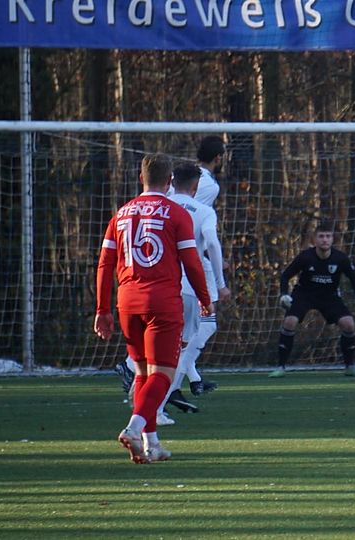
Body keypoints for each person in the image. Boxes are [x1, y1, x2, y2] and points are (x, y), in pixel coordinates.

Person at [95, 153, 213, 464]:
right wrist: (204, 297)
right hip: (162, 301)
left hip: (127, 301)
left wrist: (102, 308)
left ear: (141, 179)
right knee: (163, 374)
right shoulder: (176, 213)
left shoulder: (121, 213)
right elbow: (192, 262)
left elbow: (105, 263)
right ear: (170, 181)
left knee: (142, 373)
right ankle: (133, 428)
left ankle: (151, 444)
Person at [116, 136, 231, 402]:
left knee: (174, 331)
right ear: (219, 157)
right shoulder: (207, 187)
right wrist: (218, 275)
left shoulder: (172, 187)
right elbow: (199, 227)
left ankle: (178, 382)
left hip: (157, 263)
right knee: (197, 327)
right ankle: (152, 382)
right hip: (186, 261)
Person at [147, 163, 231, 426]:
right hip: (187, 288)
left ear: (172, 182)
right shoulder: (204, 212)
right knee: (179, 349)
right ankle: (156, 408)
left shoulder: (158, 208)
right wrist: (220, 283)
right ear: (195, 187)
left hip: (154, 285)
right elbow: (212, 243)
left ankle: (146, 401)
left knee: (152, 348)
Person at [269, 223, 355, 377]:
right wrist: (284, 294)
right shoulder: (305, 257)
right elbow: (286, 275)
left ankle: (350, 366)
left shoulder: (340, 258)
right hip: (304, 294)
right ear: (314, 239)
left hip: (329, 296)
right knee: (289, 322)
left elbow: (354, 278)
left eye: (328, 236)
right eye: (321, 236)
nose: (325, 240)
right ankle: (280, 367)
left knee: (349, 324)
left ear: (332, 239)